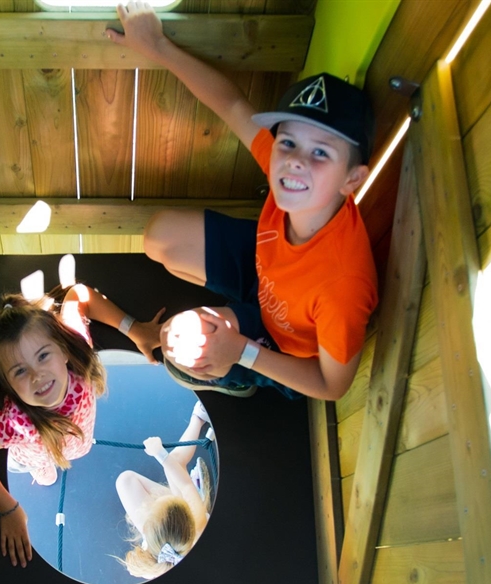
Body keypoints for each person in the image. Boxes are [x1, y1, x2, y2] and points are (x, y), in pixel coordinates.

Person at [107, 2, 379, 401]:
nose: (296, 160)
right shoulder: (292, 173)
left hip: (281, 342)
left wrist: (242, 351)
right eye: (288, 142)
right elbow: (232, 105)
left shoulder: (341, 284)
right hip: (263, 270)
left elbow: (331, 385)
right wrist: (156, 46)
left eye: (321, 153)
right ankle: (233, 317)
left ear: (352, 180)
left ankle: (234, 372)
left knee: (184, 346)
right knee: (158, 236)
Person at [0, 283, 162, 567]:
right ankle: (41, 471)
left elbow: (80, 294)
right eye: (20, 371)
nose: (37, 375)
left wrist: (134, 329)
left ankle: (57, 462)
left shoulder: (79, 358)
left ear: (63, 350)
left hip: (79, 439)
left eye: (42, 356)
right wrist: (8, 508)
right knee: (46, 477)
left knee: (77, 453)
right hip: (36, 454)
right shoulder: (17, 423)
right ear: (9, 387)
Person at [116, 401, 212, 580]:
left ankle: (198, 418)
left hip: (158, 541)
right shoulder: (197, 521)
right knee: (175, 461)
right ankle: (198, 418)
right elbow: (185, 485)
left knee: (125, 480)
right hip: (180, 532)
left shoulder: (156, 564)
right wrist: (160, 453)